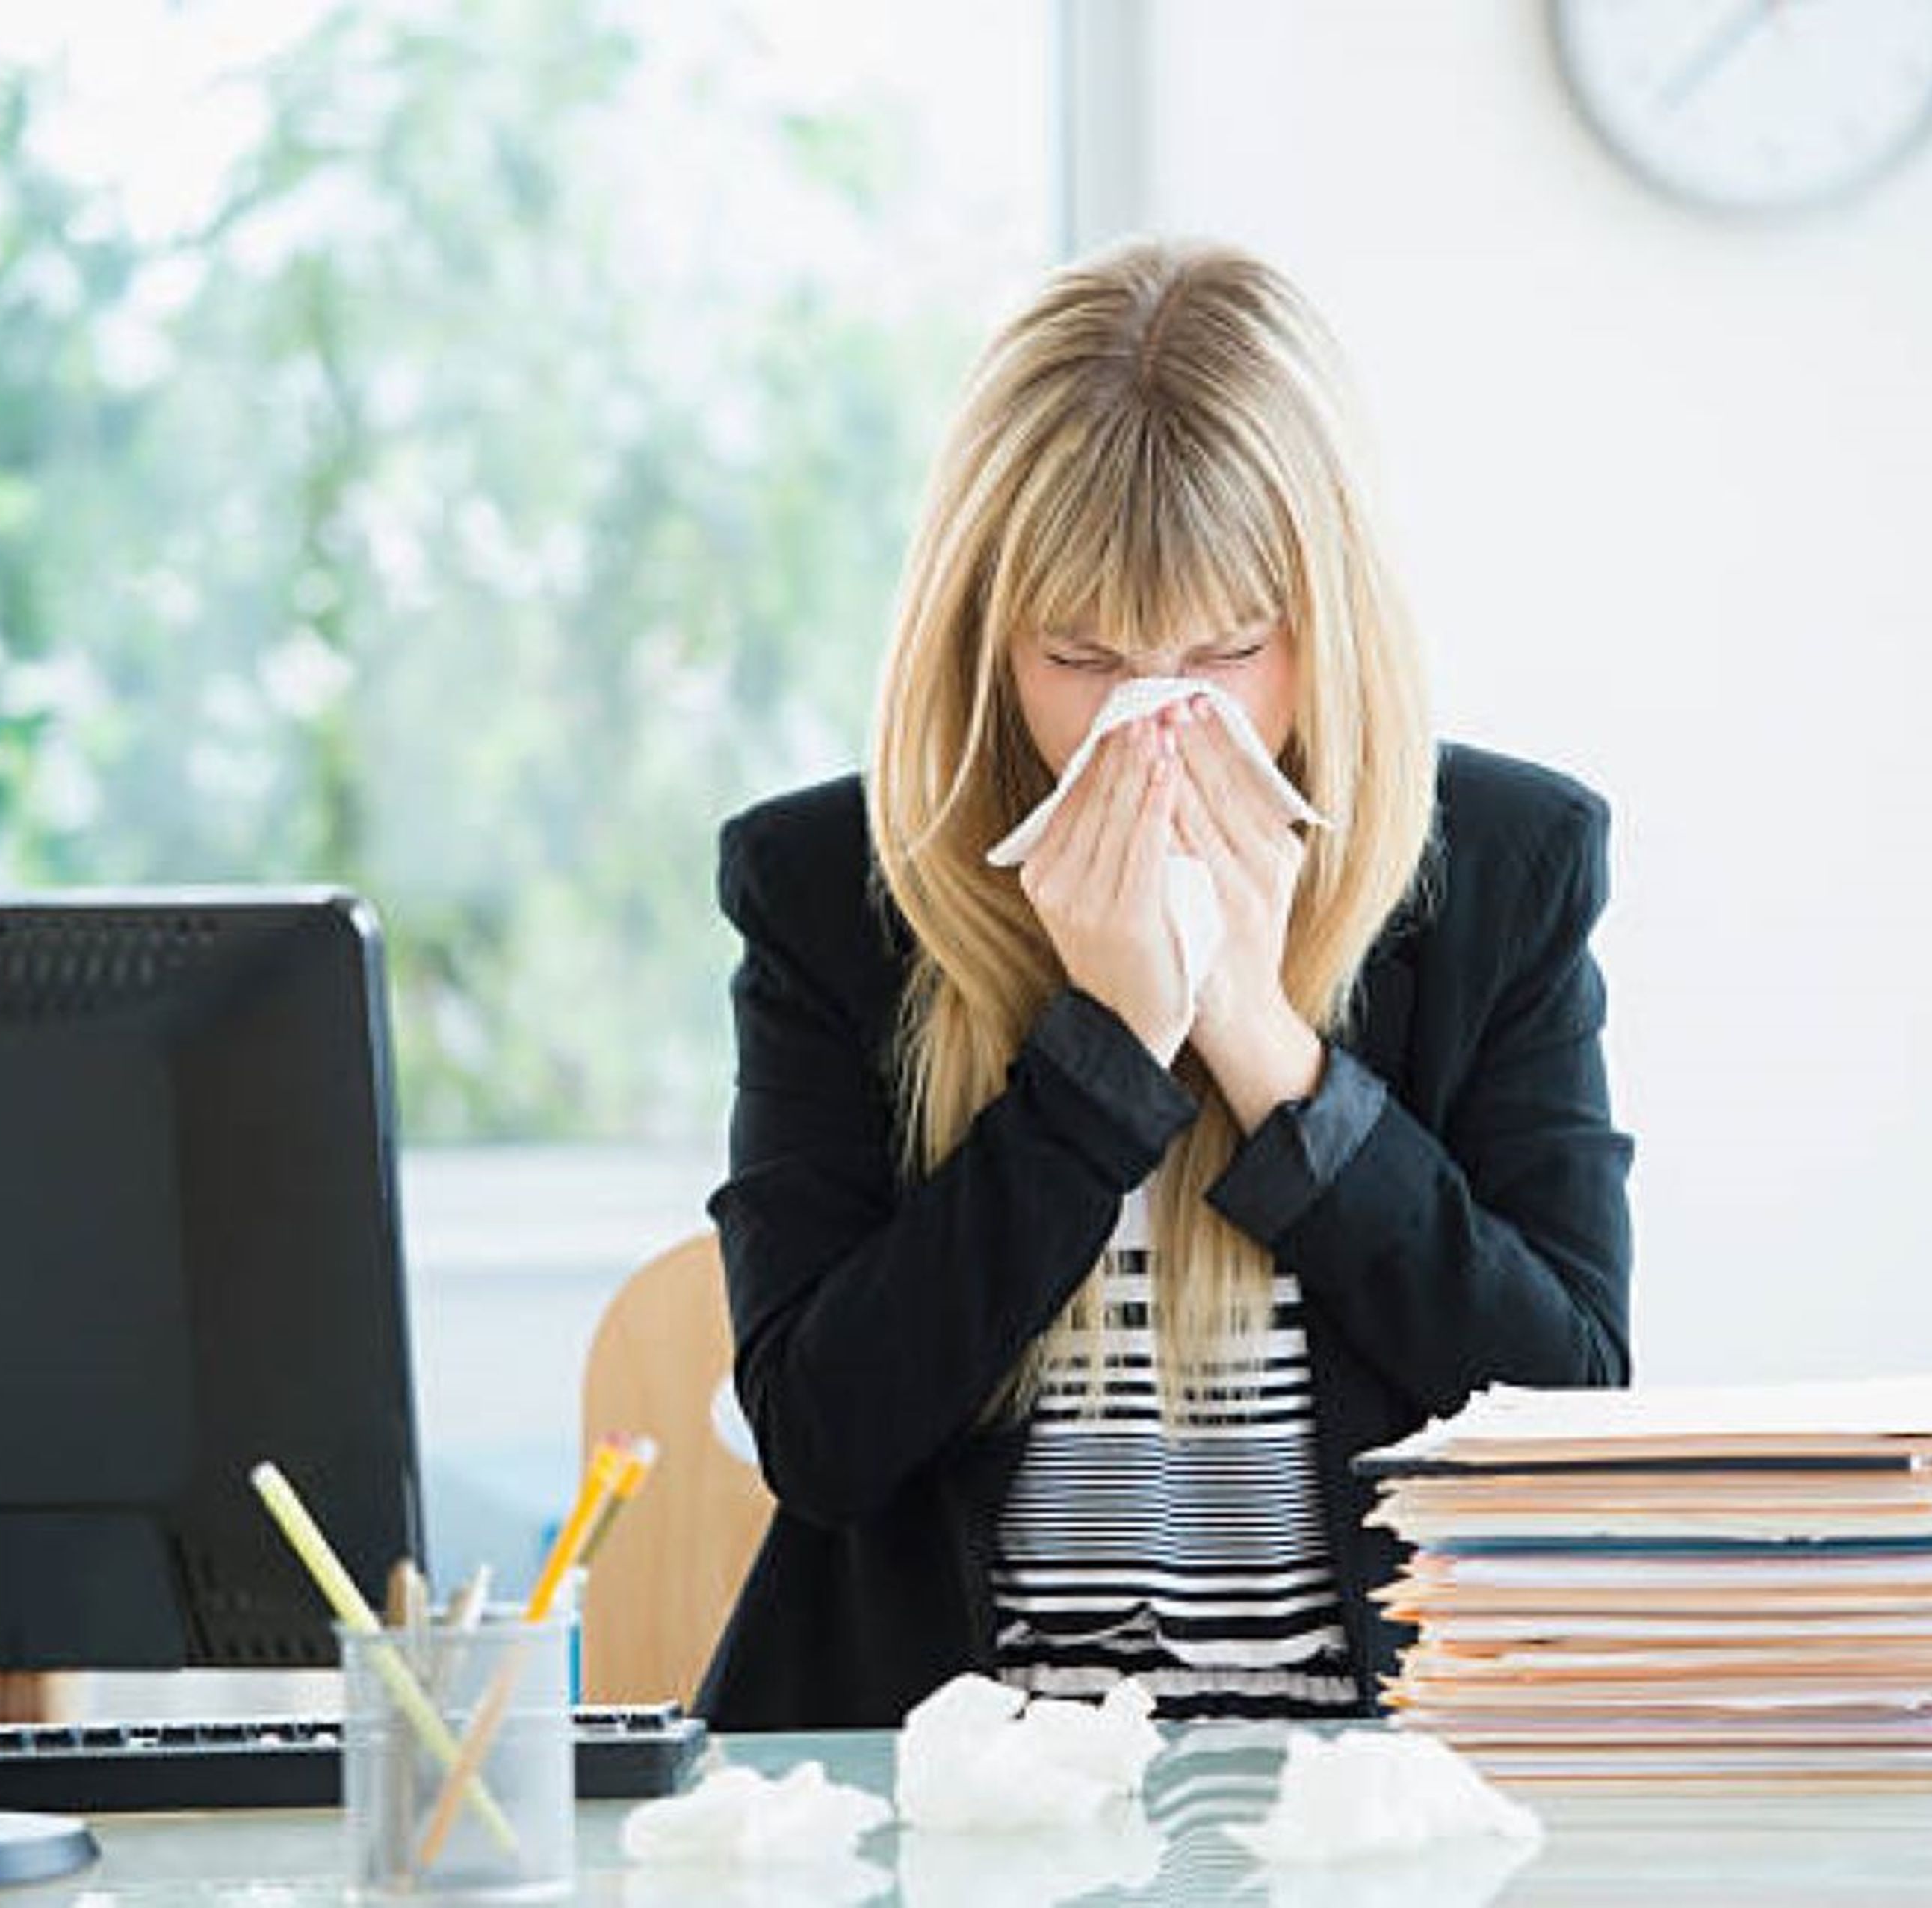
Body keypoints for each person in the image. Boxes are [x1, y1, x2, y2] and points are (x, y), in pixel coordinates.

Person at [697, 238, 1632, 1730]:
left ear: (1323, 627)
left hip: (1367, 1796)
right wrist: (1102, 1061)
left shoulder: (1503, 870)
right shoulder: (828, 890)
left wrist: (1259, 1037)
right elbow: (822, 1436)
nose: (1154, 721)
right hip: (961, 1793)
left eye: (1225, 652)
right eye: (1081, 657)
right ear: (985, 636)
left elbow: (1565, 1413)